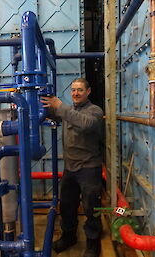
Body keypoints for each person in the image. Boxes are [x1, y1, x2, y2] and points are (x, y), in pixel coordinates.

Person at [41, 78, 103, 257]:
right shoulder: (69, 111)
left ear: (88, 91)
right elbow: (54, 114)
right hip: (71, 167)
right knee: (67, 205)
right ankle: (69, 237)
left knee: (92, 207)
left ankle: (92, 243)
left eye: (80, 90)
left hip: (89, 167)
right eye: (73, 90)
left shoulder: (95, 111)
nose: (75, 93)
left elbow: (85, 124)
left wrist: (60, 106)